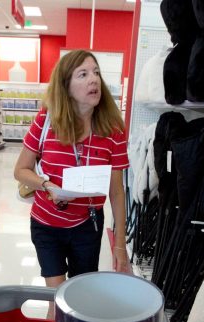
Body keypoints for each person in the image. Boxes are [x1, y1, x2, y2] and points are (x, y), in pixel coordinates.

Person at [14, 49, 130, 290]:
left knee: (80, 295)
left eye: (96, 72)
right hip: (46, 223)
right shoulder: (47, 120)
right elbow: (21, 170)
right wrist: (47, 185)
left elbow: (117, 192)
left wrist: (120, 244)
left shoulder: (113, 130)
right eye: (83, 74)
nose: (93, 79)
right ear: (66, 86)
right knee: (56, 297)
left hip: (87, 226)